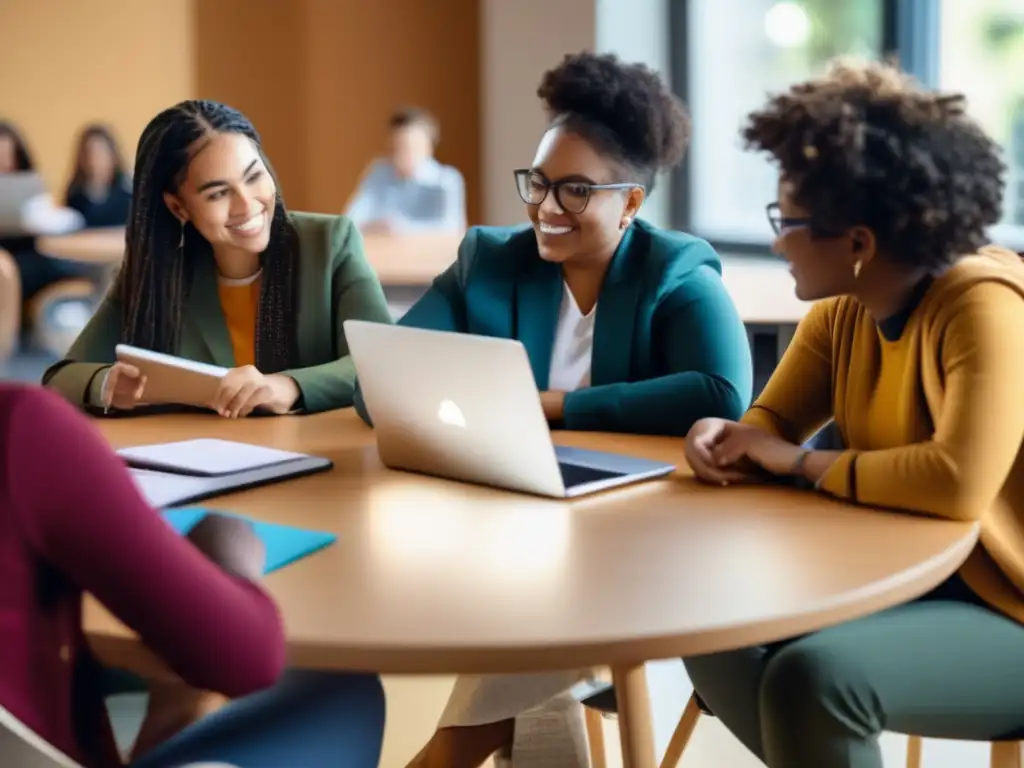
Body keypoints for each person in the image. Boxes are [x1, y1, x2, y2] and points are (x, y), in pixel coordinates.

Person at [385, 51, 753, 768]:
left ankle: (446, 755)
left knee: (534, 599)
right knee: (514, 582)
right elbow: (389, 373)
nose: (547, 209)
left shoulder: (675, 269)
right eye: (539, 184)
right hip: (502, 524)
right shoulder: (491, 259)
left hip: (641, 538)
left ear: (632, 203)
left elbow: (718, 391)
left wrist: (553, 403)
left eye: (577, 191)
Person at [681, 59, 1024, 768]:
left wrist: (801, 463)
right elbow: (767, 427)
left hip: (1010, 603)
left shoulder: (982, 306)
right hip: (912, 577)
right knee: (705, 619)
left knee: (818, 680)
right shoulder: (843, 310)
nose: (776, 239)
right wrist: (726, 440)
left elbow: (957, 480)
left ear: (859, 245)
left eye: (788, 221)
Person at [0, 383, 386, 768]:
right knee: (349, 693)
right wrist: (228, 547)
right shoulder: (21, 425)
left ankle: (170, 719)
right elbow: (246, 657)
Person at [43, 100, 393, 417]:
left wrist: (289, 386)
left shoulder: (331, 242)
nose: (247, 205)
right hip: (204, 464)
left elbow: (381, 362)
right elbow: (60, 377)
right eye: (218, 193)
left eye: (254, 176)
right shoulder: (156, 274)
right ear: (179, 207)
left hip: (321, 463)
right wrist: (108, 384)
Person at [0, 120, 91, 302]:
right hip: (4, 256)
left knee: (62, 267)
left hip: (29, 251)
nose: (5, 160)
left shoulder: (30, 183)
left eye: (9, 154)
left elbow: (48, 219)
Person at [344, 107, 466, 234]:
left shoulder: (446, 180)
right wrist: (375, 227)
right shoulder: (378, 173)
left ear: (429, 147)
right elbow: (351, 220)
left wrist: (400, 229)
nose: (403, 154)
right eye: (397, 146)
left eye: (411, 146)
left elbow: (451, 228)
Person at [64, 123, 133, 228]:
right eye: (90, 153)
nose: (95, 160)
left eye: (101, 153)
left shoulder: (127, 192)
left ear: (113, 156)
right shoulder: (75, 197)